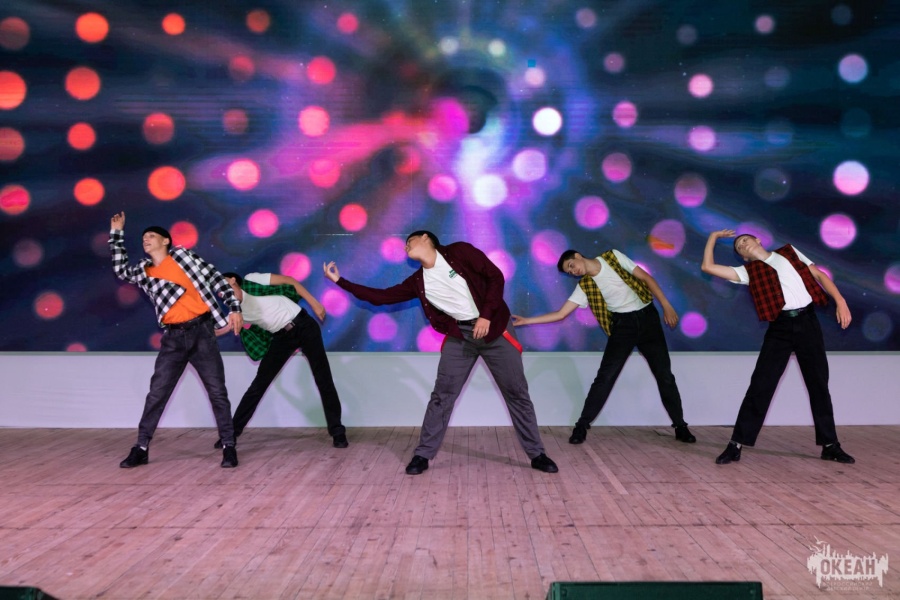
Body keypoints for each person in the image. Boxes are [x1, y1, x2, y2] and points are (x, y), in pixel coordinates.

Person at [323, 230, 558, 475]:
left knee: (517, 393)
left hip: (495, 330)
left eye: (409, 242)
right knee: (442, 396)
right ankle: (423, 455)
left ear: (426, 238)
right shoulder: (418, 282)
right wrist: (340, 281)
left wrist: (486, 316)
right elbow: (381, 297)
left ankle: (537, 454)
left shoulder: (459, 252)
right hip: (462, 337)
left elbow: (495, 276)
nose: (405, 247)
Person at [700, 229, 855, 465]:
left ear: (758, 240)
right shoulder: (748, 272)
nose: (743, 244)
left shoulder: (789, 252)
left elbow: (819, 275)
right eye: (739, 246)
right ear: (743, 257)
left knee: (818, 385)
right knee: (761, 385)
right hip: (780, 328)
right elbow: (707, 267)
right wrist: (713, 237)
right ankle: (735, 444)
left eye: (745, 240)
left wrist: (840, 301)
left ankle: (830, 445)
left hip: (807, 323)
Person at [512, 249, 696, 446]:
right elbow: (560, 314)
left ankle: (680, 427)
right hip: (623, 327)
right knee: (605, 377)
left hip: (648, 319)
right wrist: (527, 320)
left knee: (664, 375)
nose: (573, 271)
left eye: (571, 266)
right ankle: (581, 427)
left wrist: (666, 305)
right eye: (569, 272)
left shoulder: (613, 257)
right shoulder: (585, 286)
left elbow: (646, 278)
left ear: (578, 256)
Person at [109, 212, 242, 469]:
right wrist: (116, 234)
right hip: (173, 338)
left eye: (151, 236)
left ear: (166, 240)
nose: (146, 240)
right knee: (157, 394)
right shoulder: (144, 271)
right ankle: (141, 448)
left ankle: (229, 446)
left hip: (202, 332)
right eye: (143, 238)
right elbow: (121, 270)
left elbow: (217, 279)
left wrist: (234, 307)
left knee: (217, 392)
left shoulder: (184, 257)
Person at [215, 271, 348, 449]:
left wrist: (314, 303)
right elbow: (218, 330)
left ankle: (338, 432)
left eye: (223, 286)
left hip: (303, 325)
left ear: (232, 280)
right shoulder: (237, 313)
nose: (222, 293)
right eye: (220, 293)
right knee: (258, 385)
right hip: (281, 338)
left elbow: (289, 280)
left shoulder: (252, 280)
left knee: (323, 379)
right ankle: (230, 435)